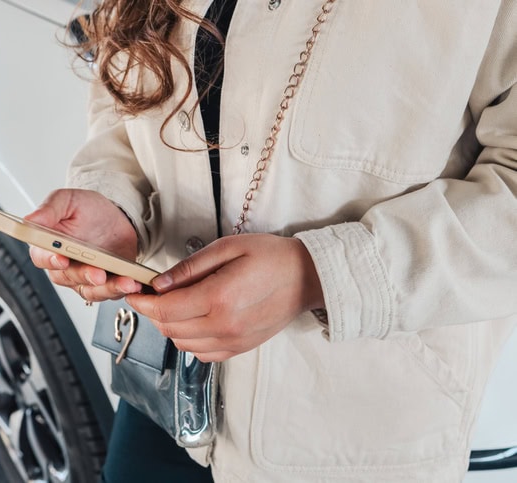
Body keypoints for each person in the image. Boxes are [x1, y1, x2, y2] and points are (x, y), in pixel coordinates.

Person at [28, 0, 517, 481]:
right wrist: (116, 202)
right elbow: (126, 82)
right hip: (164, 388)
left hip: (347, 435)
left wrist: (316, 275)